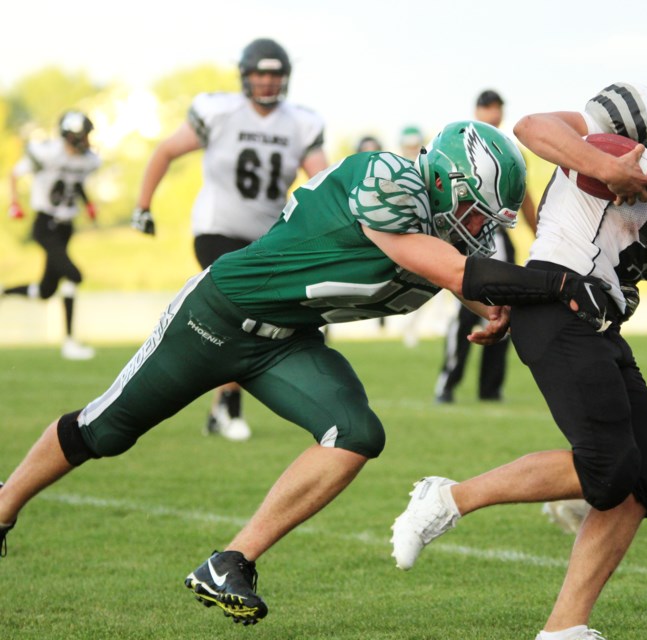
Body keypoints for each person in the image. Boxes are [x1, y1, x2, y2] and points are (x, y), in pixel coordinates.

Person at [0, 120, 615, 626]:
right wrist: (556, 284)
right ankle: (3, 509)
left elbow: (468, 280)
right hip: (218, 316)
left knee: (356, 433)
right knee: (105, 431)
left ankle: (231, 560)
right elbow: (453, 272)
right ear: (447, 181)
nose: (482, 232)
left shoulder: (440, 234)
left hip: (286, 342)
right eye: (478, 215)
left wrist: (499, 309)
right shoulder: (391, 179)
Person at [391, 41, 647, 640]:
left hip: (602, 317)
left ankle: (564, 628)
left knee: (645, 482)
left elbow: (634, 259)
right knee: (607, 467)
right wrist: (606, 166)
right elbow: (532, 127)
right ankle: (446, 499)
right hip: (555, 299)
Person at [130, 37, 329, 442]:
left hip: (267, 238)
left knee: (254, 321)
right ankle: (227, 408)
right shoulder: (219, 111)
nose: (267, 82)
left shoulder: (301, 122)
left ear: (285, 78)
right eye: (260, 73)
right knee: (244, 314)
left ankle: (220, 406)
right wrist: (143, 205)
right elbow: (166, 151)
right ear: (245, 75)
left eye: (274, 74)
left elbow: (323, 184)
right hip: (216, 228)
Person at [434, 89, 538, 403]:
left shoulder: (510, 151)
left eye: (497, 108)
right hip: (464, 234)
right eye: (487, 107)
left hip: (496, 236)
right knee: (465, 314)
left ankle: (490, 389)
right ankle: (447, 383)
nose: (493, 113)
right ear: (478, 110)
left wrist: (541, 236)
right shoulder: (457, 146)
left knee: (504, 310)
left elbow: (524, 197)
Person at [4, 111, 101, 361]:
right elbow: (15, 172)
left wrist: (87, 203)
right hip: (45, 224)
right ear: (71, 136)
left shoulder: (87, 160)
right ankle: (69, 342)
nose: (88, 140)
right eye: (84, 135)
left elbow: (74, 182)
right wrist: (14, 203)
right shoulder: (48, 152)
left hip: (65, 227)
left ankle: (3, 291)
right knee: (74, 274)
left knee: (46, 290)